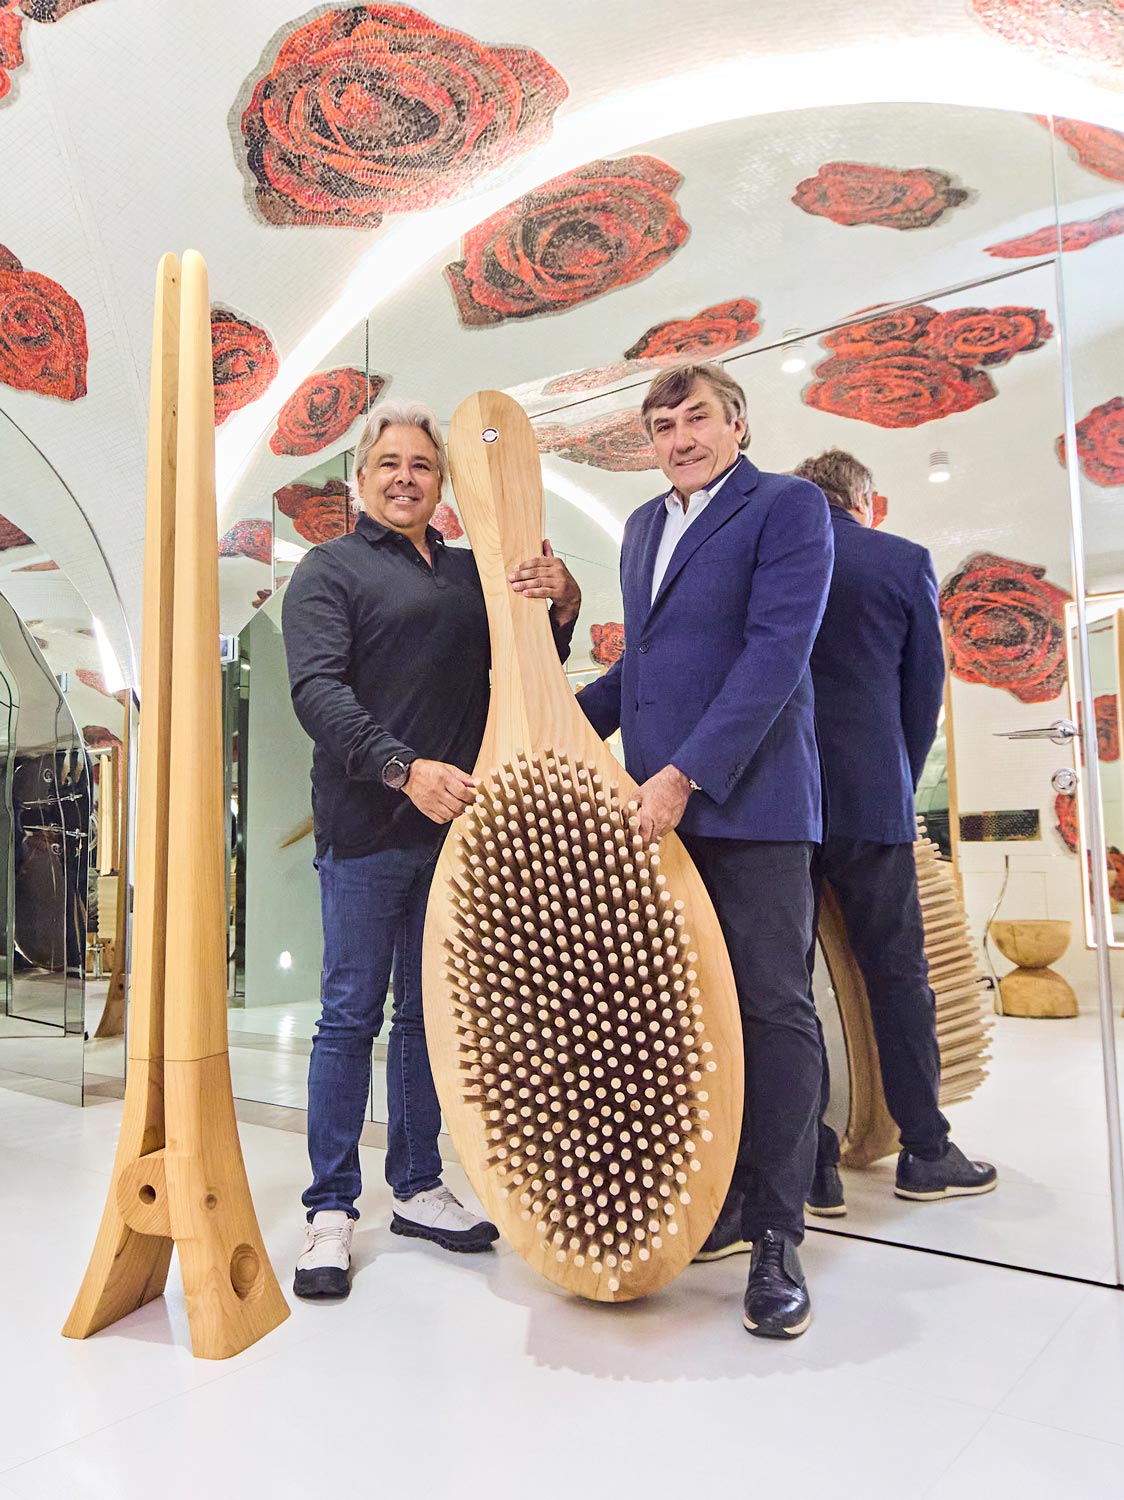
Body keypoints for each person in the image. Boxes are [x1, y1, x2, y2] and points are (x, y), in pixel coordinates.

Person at [281, 398, 581, 1299]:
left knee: (426, 1018)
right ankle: (330, 1210)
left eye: (421, 465)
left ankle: (417, 1186)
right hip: (368, 830)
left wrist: (562, 600)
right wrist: (401, 769)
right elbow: (316, 692)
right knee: (349, 1017)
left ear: (441, 481)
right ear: (359, 478)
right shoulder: (328, 570)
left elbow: (528, 663)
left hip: (458, 840)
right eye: (390, 464)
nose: (405, 478)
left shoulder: (467, 573)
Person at [578, 362, 833, 1339]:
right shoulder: (644, 527)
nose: (679, 439)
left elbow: (773, 655)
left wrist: (685, 773)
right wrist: (551, 724)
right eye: (662, 426)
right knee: (688, 1022)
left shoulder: (787, 507)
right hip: (660, 816)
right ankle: (720, 1197)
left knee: (770, 1010)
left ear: (737, 426)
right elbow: (640, 669)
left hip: (751, 806)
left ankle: (776, 1232)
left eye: (696, 419)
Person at [792, 448, 996, 1216]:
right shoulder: (901, 560)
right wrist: (895, 780)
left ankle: (813, 1164)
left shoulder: (773, 561)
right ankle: (925, 1150)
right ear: (864, 501)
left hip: (782, 805)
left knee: (787, 987)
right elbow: (923, 695)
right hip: (871, 800)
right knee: (898, 976)